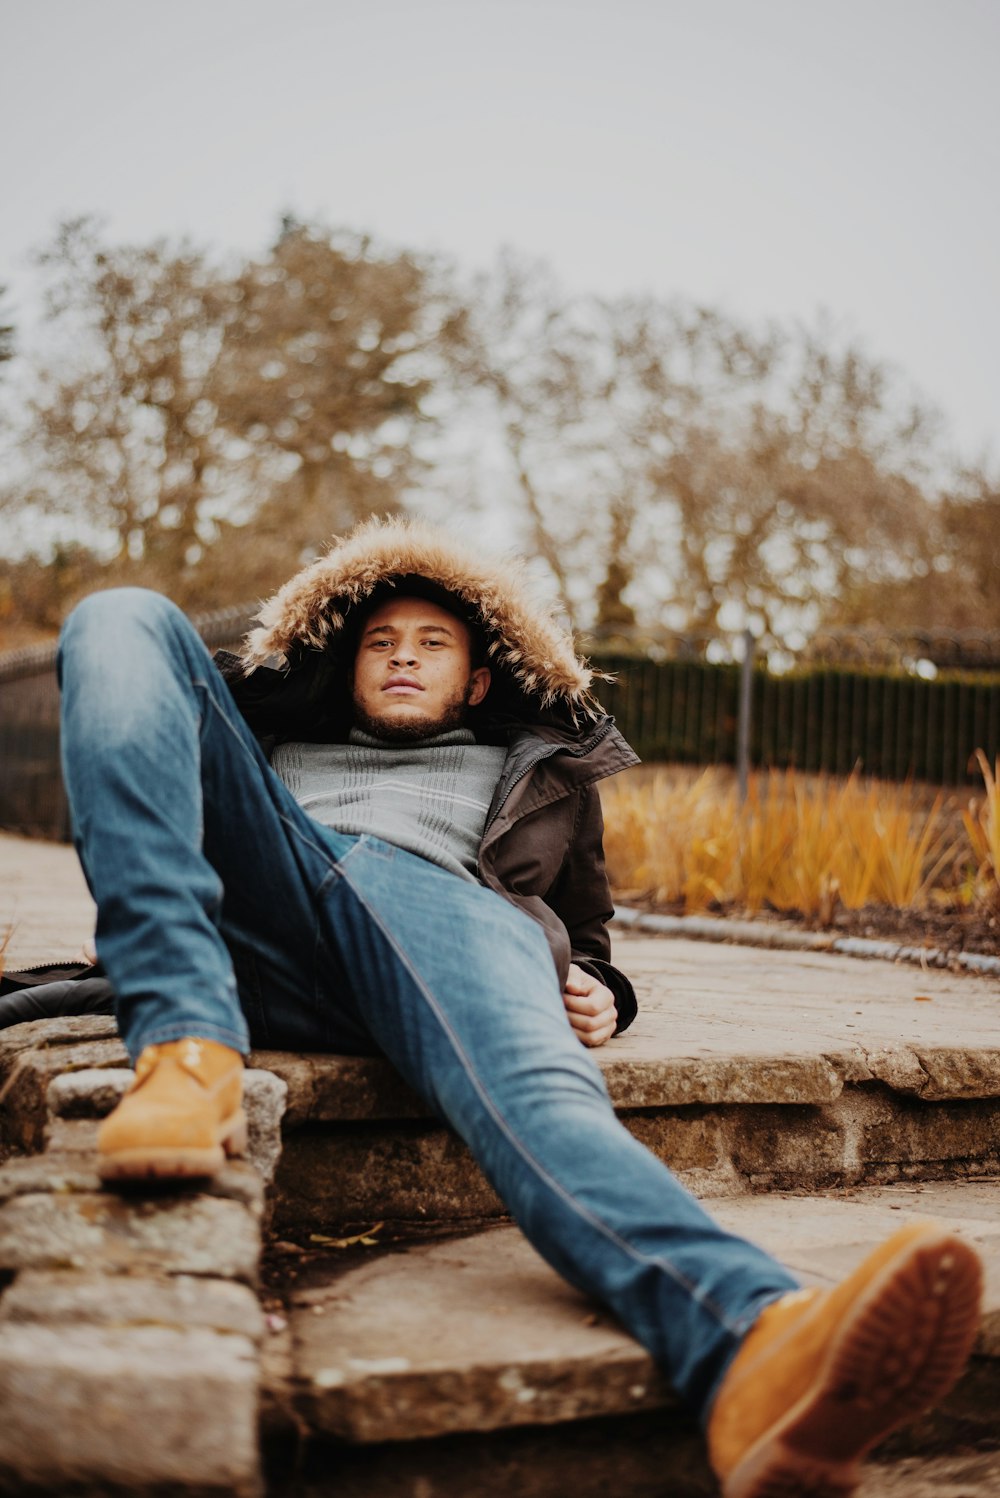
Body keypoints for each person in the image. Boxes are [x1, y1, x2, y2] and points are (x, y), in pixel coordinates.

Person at [57, 516, 982, 1498]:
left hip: (444, 915)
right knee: (117, 614)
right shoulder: (264, 742)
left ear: (477, 680)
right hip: (274, 912)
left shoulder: (538, 772)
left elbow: (589, 937)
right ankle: (187, 1049)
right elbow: (141, 780)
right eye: (380, 643)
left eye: (431, 645)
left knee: (547, 1093)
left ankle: (752, 1344)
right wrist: (147, 905)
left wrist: (602, 991)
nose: (403, 658)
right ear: (346, 665)